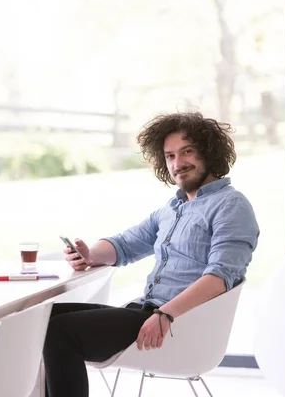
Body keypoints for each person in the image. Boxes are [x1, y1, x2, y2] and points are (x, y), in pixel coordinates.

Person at [43, 112, 260, 397]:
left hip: (177, 324)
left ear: (209, 152)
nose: (178, 163)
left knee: (61, 332)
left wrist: (165, 313)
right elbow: (125, 244)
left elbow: (220, 278)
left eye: (187, 152)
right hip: (146, 312)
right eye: (170, 156)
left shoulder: (230, 205)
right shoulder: (172, 208)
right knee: (43, 318)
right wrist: (89, 254)